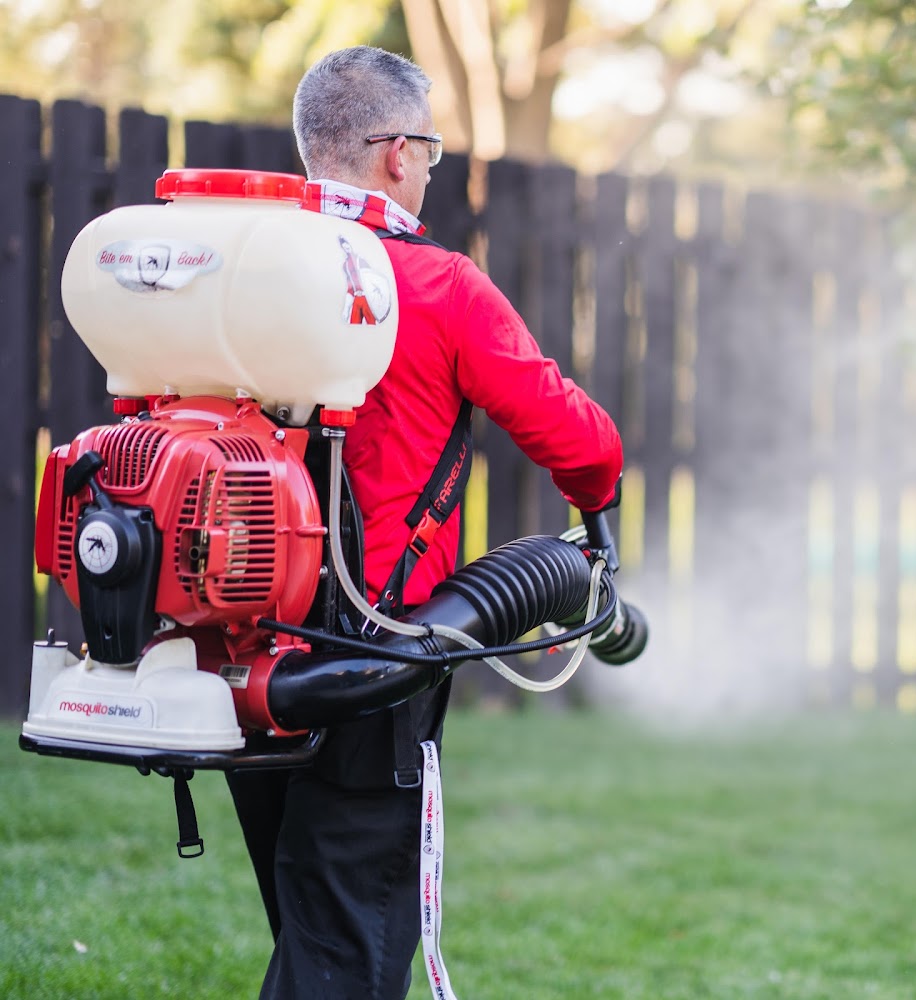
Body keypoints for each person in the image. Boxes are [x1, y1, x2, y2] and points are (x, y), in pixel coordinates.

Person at [226, 45, 623, 1000]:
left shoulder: (237, 266)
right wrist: (598, 511)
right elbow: (579, 440)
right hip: (376, 647)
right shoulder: (437, 282)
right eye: (434, 152)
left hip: (241, 639)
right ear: (398, 152)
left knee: (313, 911)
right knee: (348, 934)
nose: (431, 170)